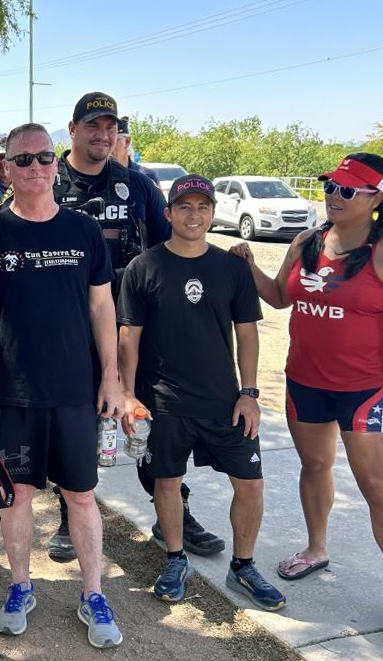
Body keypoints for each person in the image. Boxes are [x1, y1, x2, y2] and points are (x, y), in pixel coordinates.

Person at [41, 91, 223, 564]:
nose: (103, 135)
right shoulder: (46, 182)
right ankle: (69, 511)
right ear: (73, 129)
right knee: (76, 426)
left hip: (140, 329)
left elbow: (174, 250)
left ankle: (173, 515)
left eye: (111, 127)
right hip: (70, 331)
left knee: (154, 425)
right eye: (93, 126)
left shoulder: (137, 186)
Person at [0, 123, 125, 648]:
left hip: (76, 391)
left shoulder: (82, 231)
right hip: (10, 392)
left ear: (56, 164)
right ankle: (20, 586)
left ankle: (93, 594)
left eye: (43, 158)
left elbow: (103, 306)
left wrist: (112, 376)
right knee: (17, 498)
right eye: (23, 159)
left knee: (81, 496)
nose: (35, 167)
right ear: (5, 168)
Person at [232, 153, 383, 624]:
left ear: (376, 197)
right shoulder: (307, 241)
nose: (334, 196)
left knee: (377, 487)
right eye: (330, 186)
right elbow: (281, 297)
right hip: (305, 380)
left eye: (348, 190)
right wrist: (247, 265)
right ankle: (316, 548)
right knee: (315, 465)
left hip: (365, 389)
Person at [119, 174, 285, 611]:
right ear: (169, 213)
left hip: (225, 403)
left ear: (213, 214)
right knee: (166, 482)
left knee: (251, 485)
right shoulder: (144, 267)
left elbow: (247, 335)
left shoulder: (231, 268)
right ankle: (175, 558)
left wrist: (249, 392)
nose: (194, 215)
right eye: (185, 207)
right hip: (163, 402)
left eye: (203, 207)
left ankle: (243, 566)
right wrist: (127, 396)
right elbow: (128, 338)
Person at [112, 117, 159, 185]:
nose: (106, 147)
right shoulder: (97, 175)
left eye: (113, 141)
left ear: (127, 142)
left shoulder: (147, 176)